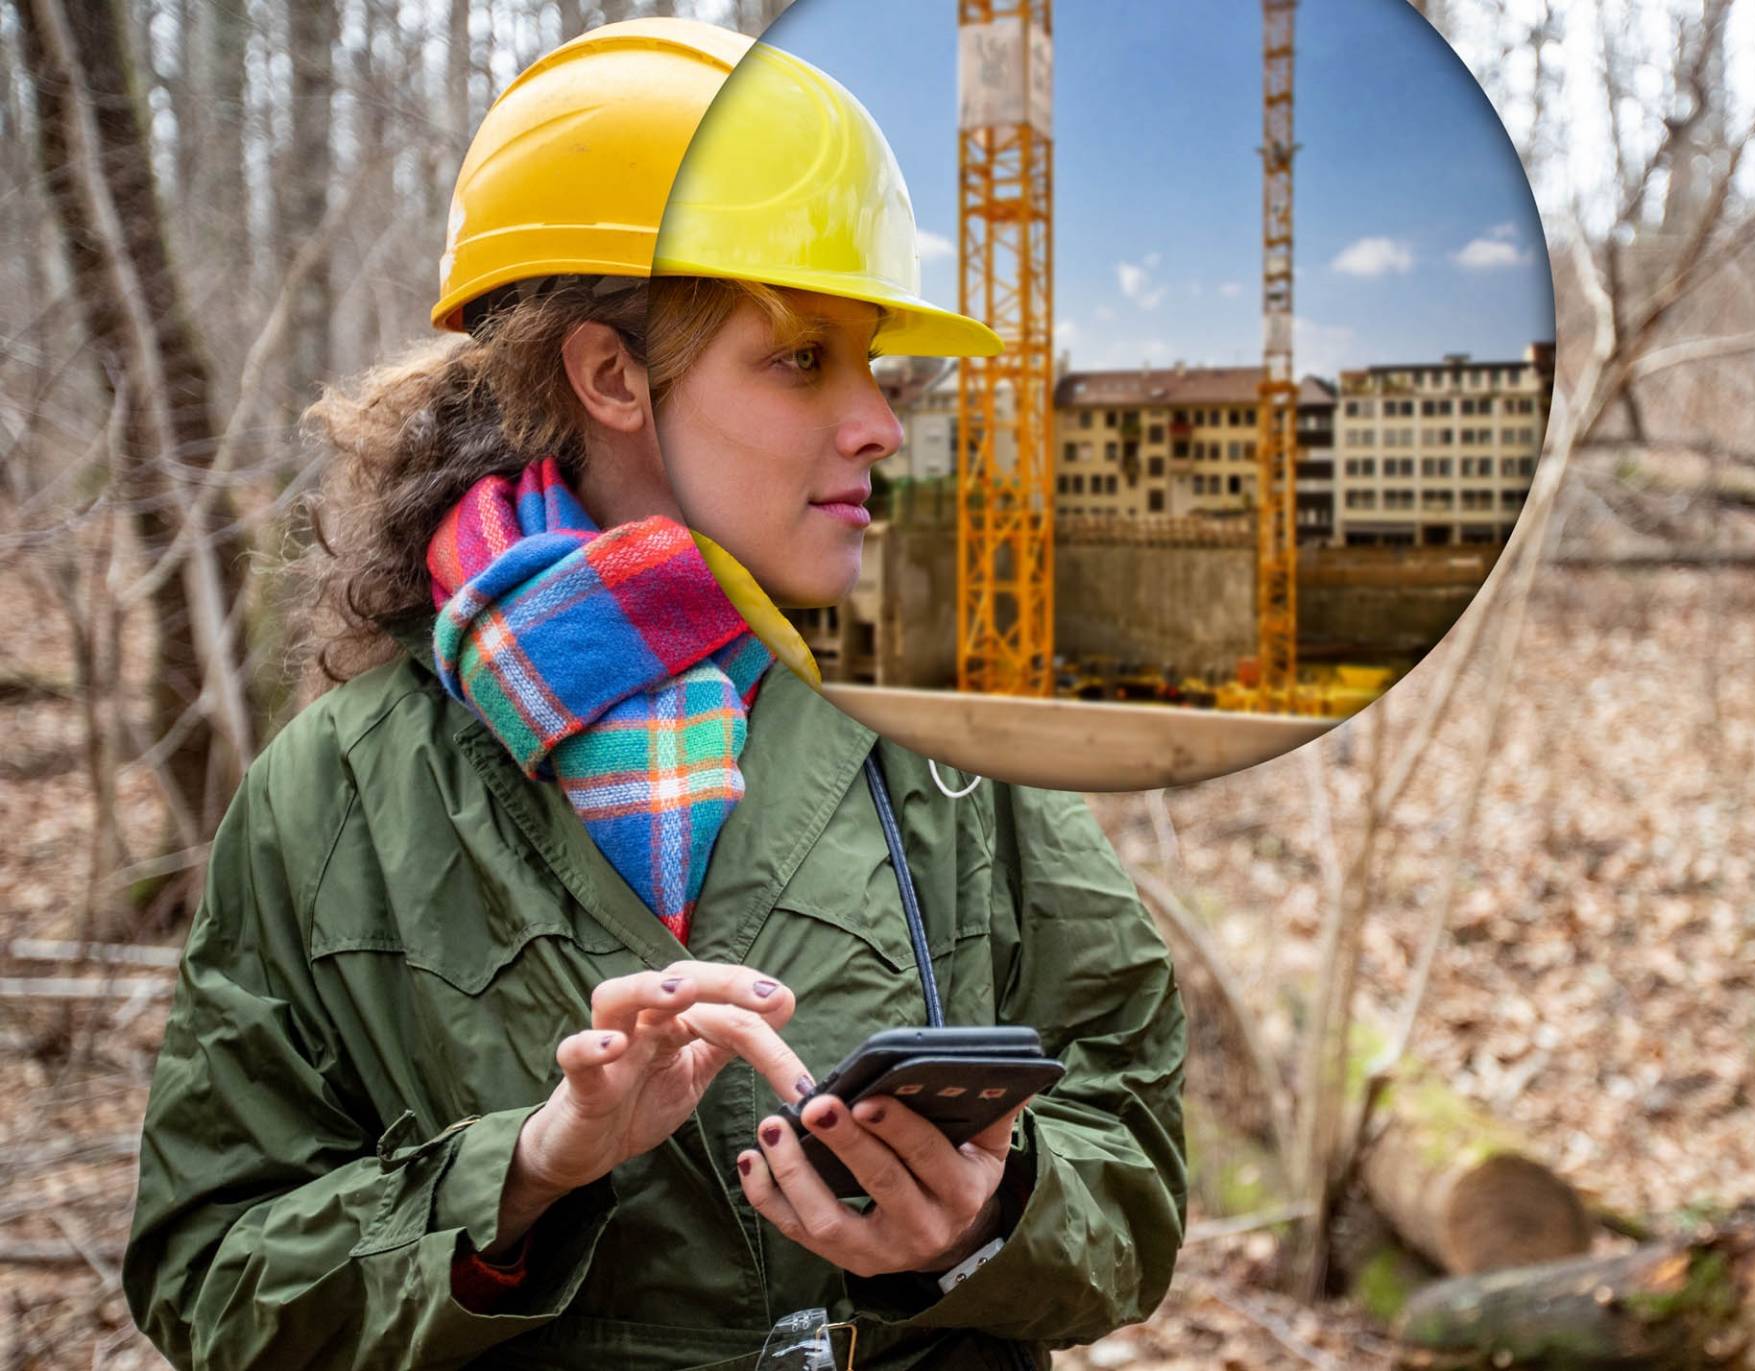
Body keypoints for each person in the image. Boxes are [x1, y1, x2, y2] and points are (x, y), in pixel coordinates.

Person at [121, 18, 1187, 1371]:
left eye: (874, 362)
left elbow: (1138, 1160)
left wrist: (992, 1217)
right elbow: (213, 1272)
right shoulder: (330, 793)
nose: (877, 421)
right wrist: (520, 1181)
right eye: (803, 358)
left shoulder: (953, 728)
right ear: (611, 376)